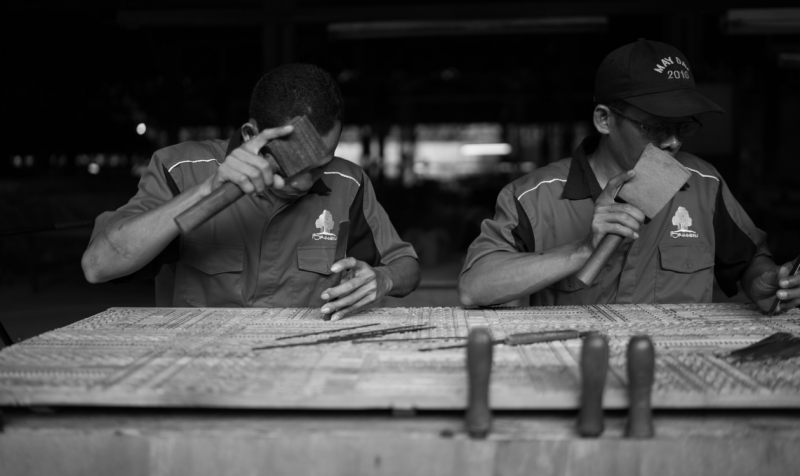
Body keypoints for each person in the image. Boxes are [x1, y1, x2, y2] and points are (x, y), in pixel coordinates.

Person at [458, 39, 799, 312]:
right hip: (577, 365)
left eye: (683, 126)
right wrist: (582, 250)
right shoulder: (534, 196)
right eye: (655, 127)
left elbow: (751, 259)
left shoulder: (703, 183)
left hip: (677, 365)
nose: (674, 141)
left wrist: (764, 284)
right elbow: (475, 288)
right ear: (604, 120)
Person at [82, 63, 420, 320]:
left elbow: (407, 266)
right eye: (291, 164)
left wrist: (383, 279)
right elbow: (98, 266)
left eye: (320, 165)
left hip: (303, 360)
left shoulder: (348, 182)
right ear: (250, 135)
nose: (304, 183)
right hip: (198, 362)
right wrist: (210, 189)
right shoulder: (181, 170)